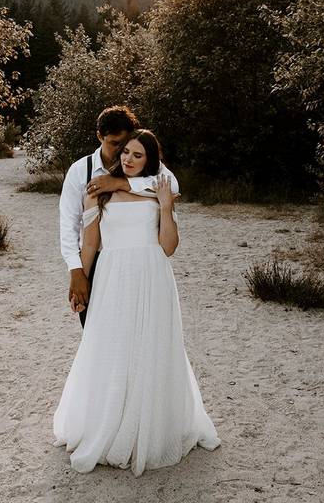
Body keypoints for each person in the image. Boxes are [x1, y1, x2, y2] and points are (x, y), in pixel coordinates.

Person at [53, 129, 221, 476]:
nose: (128, 159)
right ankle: (109, 423)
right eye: (125, 152)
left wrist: (164, 207)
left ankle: (153, 426)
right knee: (112, 347)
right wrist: (79, 283)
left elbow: (169, 247)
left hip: (153, 276)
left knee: (151, 347)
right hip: (113, 277)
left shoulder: (159, 189)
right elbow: (89, 244)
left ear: (150, 160)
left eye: (137, 155)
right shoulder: (98, 191)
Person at [59, 106, 178, 327]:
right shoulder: (79, 171)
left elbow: (172, 186)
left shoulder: (142, 162)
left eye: (124, 144)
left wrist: (121, 183)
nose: (121, 152)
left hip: (143, 267)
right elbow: (69, 225)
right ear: (99, 137)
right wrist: (76, 271)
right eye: (115, 144)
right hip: (96, 263)